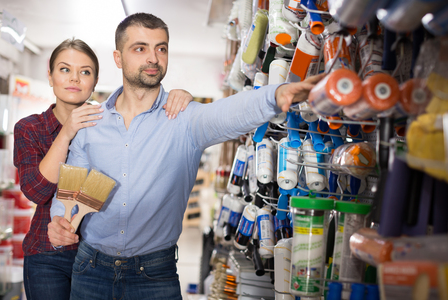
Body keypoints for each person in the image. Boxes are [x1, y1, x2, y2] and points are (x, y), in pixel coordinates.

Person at [48, 13, 324, 300]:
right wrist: (59, 222)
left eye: (161, 48)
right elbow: (70, 190)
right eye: (140, 48)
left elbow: (229, 112)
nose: (153, 58)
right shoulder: (90, 122)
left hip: (153, 275)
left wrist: (277, 95)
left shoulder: (184, 119)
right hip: (90, 269)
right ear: (118, 58)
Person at [13, 37, 193, 300]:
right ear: (50, 77)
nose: (74, 79)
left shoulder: (110, 123)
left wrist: (181, 98)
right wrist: (66, 134)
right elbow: (37, 192)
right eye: (64, 69)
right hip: (47, 256)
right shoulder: (30, 128)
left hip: (98, 261)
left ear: (94, 82)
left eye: (84, 72)